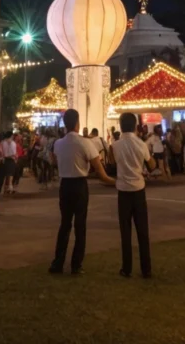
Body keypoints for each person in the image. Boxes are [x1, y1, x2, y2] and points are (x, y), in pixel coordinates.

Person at [49, 108, 115, 275]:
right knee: (80, 226)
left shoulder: (58, 143)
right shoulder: (86, 143)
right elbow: (101, 173)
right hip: (79, 186)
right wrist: (117, 182)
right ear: (78, 123)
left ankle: (57, 263)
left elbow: (53, 161)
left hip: (65, 185)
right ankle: (76, 265)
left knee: (64, 225)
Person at [112, 112, 154, 279]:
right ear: (135, 126)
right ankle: (146, 268)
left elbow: (112, 163)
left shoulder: (115, 145)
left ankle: (126, 268)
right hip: (138, 190)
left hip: (123, 191)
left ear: (121, 126)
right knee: (142, 231)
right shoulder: (141, 144)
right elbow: (151, 165)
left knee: (125, 231)